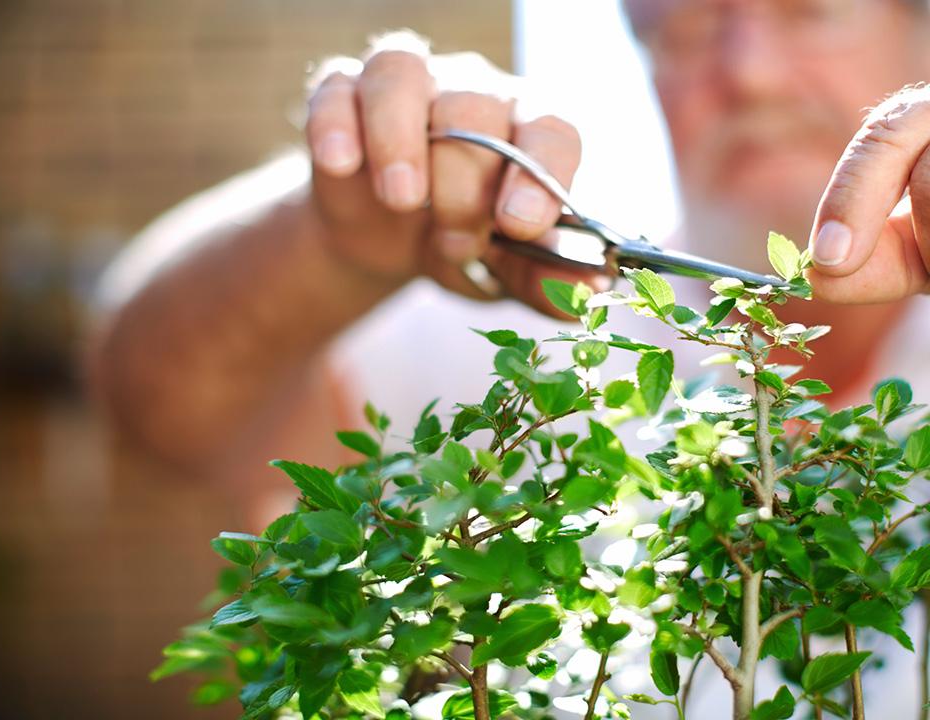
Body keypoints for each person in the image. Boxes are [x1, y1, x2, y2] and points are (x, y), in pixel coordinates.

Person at [90, 1, 929, 509]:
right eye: (687, 26)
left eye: (814, 10)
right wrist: (337, 239)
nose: (748, 73)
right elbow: (159, 407)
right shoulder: (547, 308)